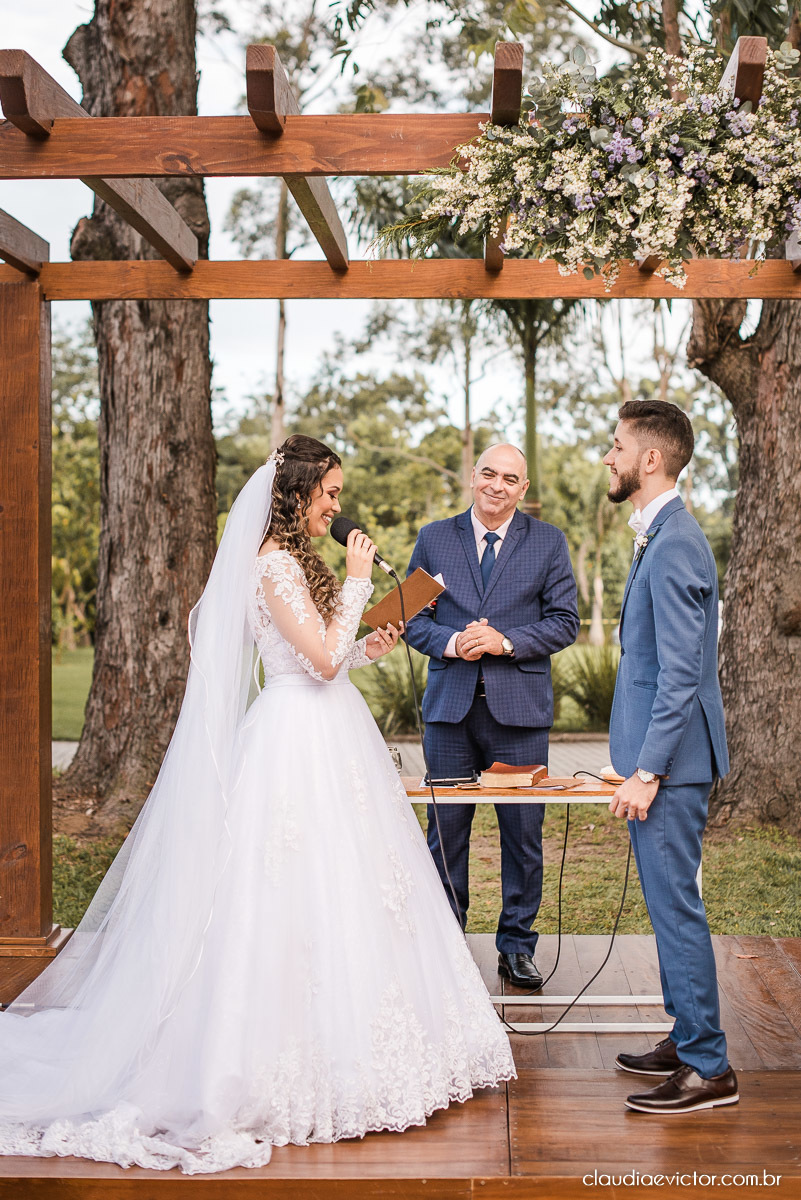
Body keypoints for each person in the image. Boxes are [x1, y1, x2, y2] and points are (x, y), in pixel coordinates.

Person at [0, 435, 514, 1173]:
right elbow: (318, 662)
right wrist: (358, 585)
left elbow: (332, 656)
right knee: (287, 887)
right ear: (297, 494)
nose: (336, 508)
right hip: (293, 740)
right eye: (329, 494)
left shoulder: (294, 563)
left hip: (330, 730)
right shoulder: (271, 565)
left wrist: (371, 645)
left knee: (360, 886)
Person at [603, 400, 737, 1115]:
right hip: (661, 763)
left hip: (672, 768)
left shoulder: (676, 540)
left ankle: (708, 1067)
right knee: (667, 907)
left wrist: (648, 769)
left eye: (617, 445)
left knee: (676, 909)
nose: (609, 457)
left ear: (649, 459)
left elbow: (682, 670)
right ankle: (687, 1038)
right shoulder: (660, 533)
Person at [404, 443, 580, 990]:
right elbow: (410, 618)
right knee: (445, 835)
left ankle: (517, 947)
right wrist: (453, 642)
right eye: (488, 473)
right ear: (473, 476)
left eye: (509, 478)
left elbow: (565, 621)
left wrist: (505, 641)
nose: (496, 485)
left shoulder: (548, 542)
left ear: (523, 488)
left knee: (523, 836)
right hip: (449, 714)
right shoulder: (435, 538)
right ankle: (446, 946)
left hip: (520, 715)